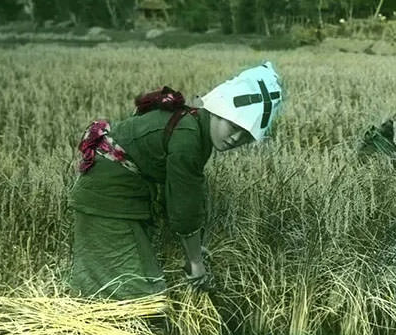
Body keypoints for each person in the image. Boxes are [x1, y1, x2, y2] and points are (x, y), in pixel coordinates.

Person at [69, 61, 283, 300]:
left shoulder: (192, 125)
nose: (235, 138)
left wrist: (192, 250)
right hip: (107, 198)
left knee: (121, 283)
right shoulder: (189, 139)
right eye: (233, 126)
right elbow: (184, 206)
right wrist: (195, 262)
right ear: (219, 110)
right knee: (134, 291)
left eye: (245, 136)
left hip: (114, 194)